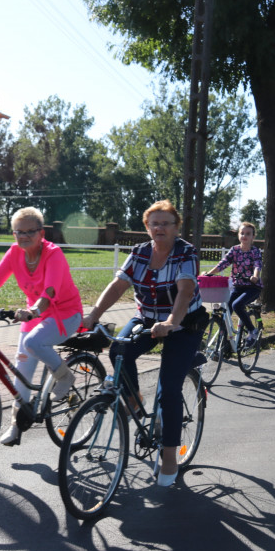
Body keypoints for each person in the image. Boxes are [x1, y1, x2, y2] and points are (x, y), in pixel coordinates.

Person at [82, 200, 205, 487]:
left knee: (169, 389)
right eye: (154, 223)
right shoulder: (139, 253)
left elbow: (185, 291)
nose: (159, 227)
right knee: (118, 349)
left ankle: (170, 456)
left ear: (176, 228)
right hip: (148, 318)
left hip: (184, 323)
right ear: (147, 227)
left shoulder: (185, 252)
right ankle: (135, 402)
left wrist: (172, 322)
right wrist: (93, 314)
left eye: (166, 223)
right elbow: (118, 286)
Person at [0, 207, 83, 447]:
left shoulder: (54, 254)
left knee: (33, 342)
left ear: (41, 233)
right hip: (36, 315)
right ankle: (16, 425)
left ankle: (65, 377)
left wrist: (33, 312)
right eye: (18, 232)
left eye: (30, 231)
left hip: (65, 314)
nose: (23, 236)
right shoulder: (14, 253)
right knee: (21, 375)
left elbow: (49, 291)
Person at [202, 221, 263, 346]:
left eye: (248, 234)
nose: (244, 236)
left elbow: (257, 265)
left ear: (253, 237)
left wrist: (255, 276)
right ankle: (225, 344)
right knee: (226, 311)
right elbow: (223, 263)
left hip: (252, 287)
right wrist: (209, 274)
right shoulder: (234, 250)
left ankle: (252, 330)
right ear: (238, 235)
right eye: (242, 233)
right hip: (237, 286)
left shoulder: (255, 251)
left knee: (237, 305)